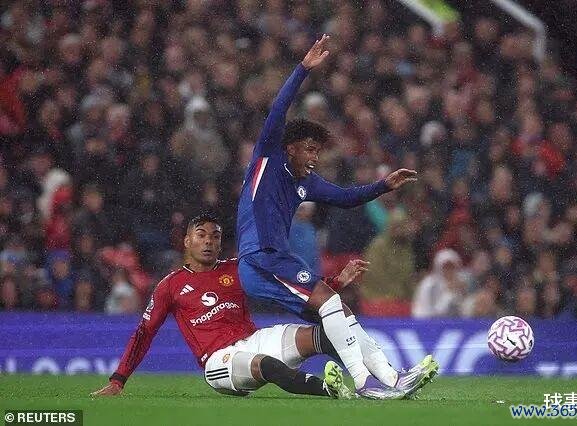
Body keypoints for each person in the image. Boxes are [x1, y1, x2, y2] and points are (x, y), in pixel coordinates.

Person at [236, 35, 429, 398]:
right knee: (328, 298)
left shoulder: (307, 183)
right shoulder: (268, 158)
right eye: (309, 149)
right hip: (260, 258)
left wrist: (383, 185)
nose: (314, 158)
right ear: (289, 148)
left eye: (318, 152)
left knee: (338, 310)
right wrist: (302, 69)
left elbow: (346, 198)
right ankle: (365, 382)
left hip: (273, 261)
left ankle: (392, 379)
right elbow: (278, 109)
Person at [91, 213, 367, 398]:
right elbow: (145, 332)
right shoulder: (170, 285)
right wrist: (118, 380)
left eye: (215, 236)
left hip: (254, 339)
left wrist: (336, 282)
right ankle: (331, 389)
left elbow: (290, 286)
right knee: (265, 364)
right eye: (201, 235)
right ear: (187, 241)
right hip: (218, 360)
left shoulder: (238, 268)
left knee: (324, 334)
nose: (208, 241)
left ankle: (376, 381)